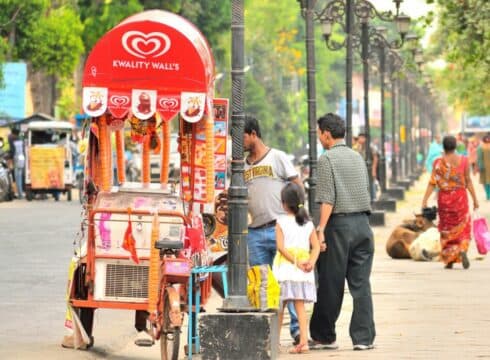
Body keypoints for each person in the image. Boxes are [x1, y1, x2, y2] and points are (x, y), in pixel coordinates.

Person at [310, 113, 375, 351]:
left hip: (339, 227)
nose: (318, 137)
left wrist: (321, 230)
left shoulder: (327, 159)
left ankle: (323, 336)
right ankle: (363, 338)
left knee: (330, 281)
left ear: (327, 133)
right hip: (363, 226)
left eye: (319, 133)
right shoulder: (357, 157)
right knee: (361, 284)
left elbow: (327, 199)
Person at [243, 115, 302, 344]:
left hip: (280, 228)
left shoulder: (277, 157)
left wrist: (299, 215)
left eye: (242, 137)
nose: (240, 143)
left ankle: (296, 330)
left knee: (287, 279)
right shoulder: (242, 165)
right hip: (255, 231)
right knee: (261, 282)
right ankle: (265, 331)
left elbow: (297, 184)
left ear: (253, 134)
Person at [273, 183, 320, 354]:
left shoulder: (281, 222)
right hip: (303, 271)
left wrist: (295, 262)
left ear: (284, 203)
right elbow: (315, 247)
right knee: (300, 306)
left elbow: (280, 247)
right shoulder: (308, 223)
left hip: (285, 269)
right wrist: (311, 262)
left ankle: (274, 343)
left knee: (279, 306)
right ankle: (304, 342)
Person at [422, 135, 479, 269]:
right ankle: (462, 249)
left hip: (445, 199)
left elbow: (432, 183)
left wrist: (424, 200)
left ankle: (449, 259)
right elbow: (468, 181)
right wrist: (475, 199)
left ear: (443, 147)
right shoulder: (464, 161)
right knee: (463, 226)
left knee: (447, 229)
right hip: (460, 198)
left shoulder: (438, 162)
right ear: (455, 146)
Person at [356, 132, 379, 200]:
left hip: (369, 169)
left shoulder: (370, 147)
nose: (359, 139)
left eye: (360, 138)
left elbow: (375, 158)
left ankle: (373, 199)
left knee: (371, 184)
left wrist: (373, 170)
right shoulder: (359, 147)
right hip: (363, 169)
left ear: (364, 138)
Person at [11, 128, 25, 199]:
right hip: (22, 160)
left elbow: (13, 152)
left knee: (17, 178)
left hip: (17, 160)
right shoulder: (21, 141)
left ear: (13, 134)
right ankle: (20, 193)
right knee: (20, 177)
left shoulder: (14, 142)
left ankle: (20, 194)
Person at [477, 134, 490, 199]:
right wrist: (480, 166)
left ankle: (488, 194)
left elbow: (479, 158)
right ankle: (488, 194)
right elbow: (479, 158)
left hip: (486, 167)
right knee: (485, 181)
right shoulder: (480, 147)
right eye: (487, 138)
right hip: (484, 167)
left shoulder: (481, 147)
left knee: (487, 181)